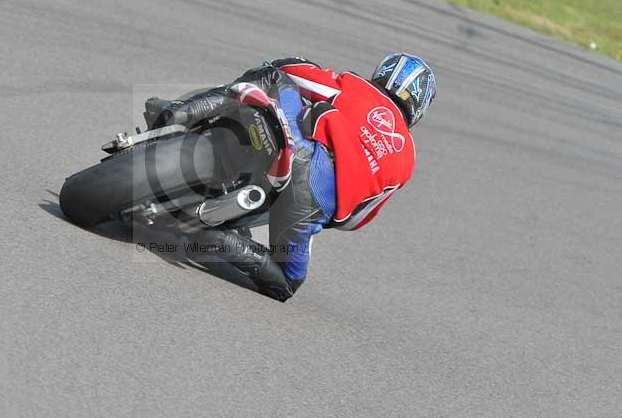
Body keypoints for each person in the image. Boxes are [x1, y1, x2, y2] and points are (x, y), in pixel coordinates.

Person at [143, 54, 437, 302]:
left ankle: (179, 113)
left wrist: (295, 64)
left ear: (384, 72)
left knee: (272, 77)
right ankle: (212, 235)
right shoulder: (407, 159)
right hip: (314, 202)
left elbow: (294, 73)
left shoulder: (358, 87)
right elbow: (353, 220)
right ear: (420, 106)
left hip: (298, 149)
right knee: (286, 282)